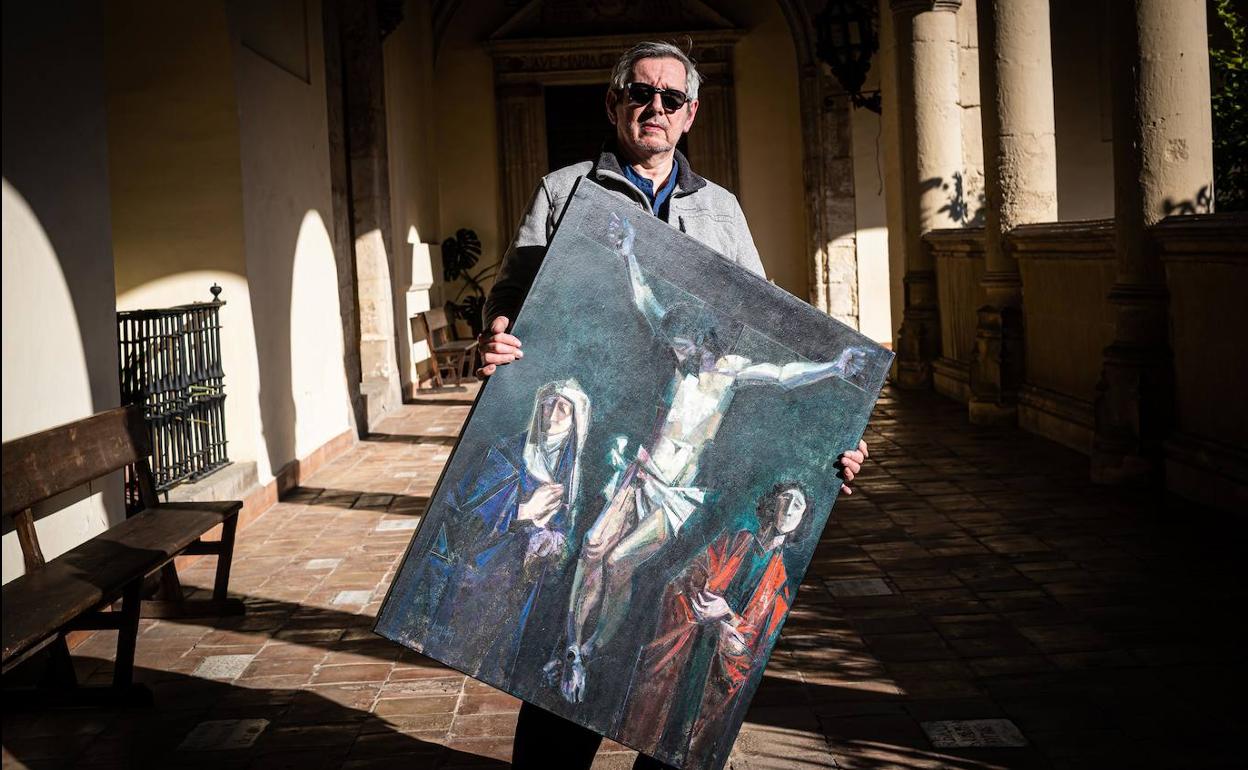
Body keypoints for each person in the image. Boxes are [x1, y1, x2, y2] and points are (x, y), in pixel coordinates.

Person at [477, 40, 870, 770]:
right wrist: (500, 330)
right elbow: (516, 290)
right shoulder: (565, 191)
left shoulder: (720, 210)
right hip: (613, 441)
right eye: (638, 92)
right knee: (585, 566)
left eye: (669, 98)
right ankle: (570, 677)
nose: (652, 107)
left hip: (688, 484)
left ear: (690, 114)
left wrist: (828, 439)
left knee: (667, 614)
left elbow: (777, 341)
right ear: (614, 102)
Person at [545, 213, 871, 705]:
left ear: (700, 341)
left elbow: (782, 373)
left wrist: (833, 365)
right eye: (673, 347)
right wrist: (629, 253)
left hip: (674, 496)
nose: (675, 355)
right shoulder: (678, 353)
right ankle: (569, 648)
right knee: (591, 548)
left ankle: (589, 651)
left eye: (682, 348)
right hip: (639, 476)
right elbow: (645, 302)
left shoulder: (729, 371)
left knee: (618, 562)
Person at [616, 482, 813, 765]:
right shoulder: (733, 542)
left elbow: (755, 645)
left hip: (716, 674)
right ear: (772, 502)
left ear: (802, 521)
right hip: (686, 648)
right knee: (651, 727)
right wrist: (702, 609)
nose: (790, 508)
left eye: (799, 505)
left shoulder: (780, 584)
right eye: (787, 498)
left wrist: (726, 616)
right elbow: (684, 580)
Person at [419, 380, 590, 684]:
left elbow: (569, 537)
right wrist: (524, 512)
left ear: (577, 421)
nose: (552, 414)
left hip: (524, 588)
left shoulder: (572, 475)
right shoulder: (505, 454)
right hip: (480, 580)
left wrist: (553, 541)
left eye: (564, 408)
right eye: (549, 403)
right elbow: (467, 522)